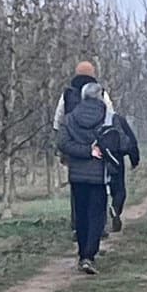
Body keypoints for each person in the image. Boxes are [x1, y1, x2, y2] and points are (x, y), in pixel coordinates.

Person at [57, 82, 129, 275]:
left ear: (82, 97)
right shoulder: (109, 118)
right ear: (99, 97)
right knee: (97, 216)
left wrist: (86, 151)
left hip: (77, 176)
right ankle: (90, 255)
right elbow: (123, 143)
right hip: (100, 175)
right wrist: (103, 150)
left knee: (80, 216)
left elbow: (63, 143)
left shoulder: (70, 118)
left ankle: (82, 254)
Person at [52, 61, 115, 237]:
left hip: (74, 146)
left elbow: (58, 120)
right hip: (98, 148)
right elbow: (111, 117)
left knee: (77, 187)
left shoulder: (67, 94)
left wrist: (63, 146)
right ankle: (99, 226)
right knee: (100, 187)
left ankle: (77, 226)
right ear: (93, 73)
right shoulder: (100, 92)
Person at [107, 115, 140, 233]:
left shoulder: (90, 118)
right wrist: (134, 160)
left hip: (96, 159)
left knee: (99, 192)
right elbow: (131, 141)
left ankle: (100, 224)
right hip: (116, 159)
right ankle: (116, 208)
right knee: (120, 190)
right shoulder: (117, 119)